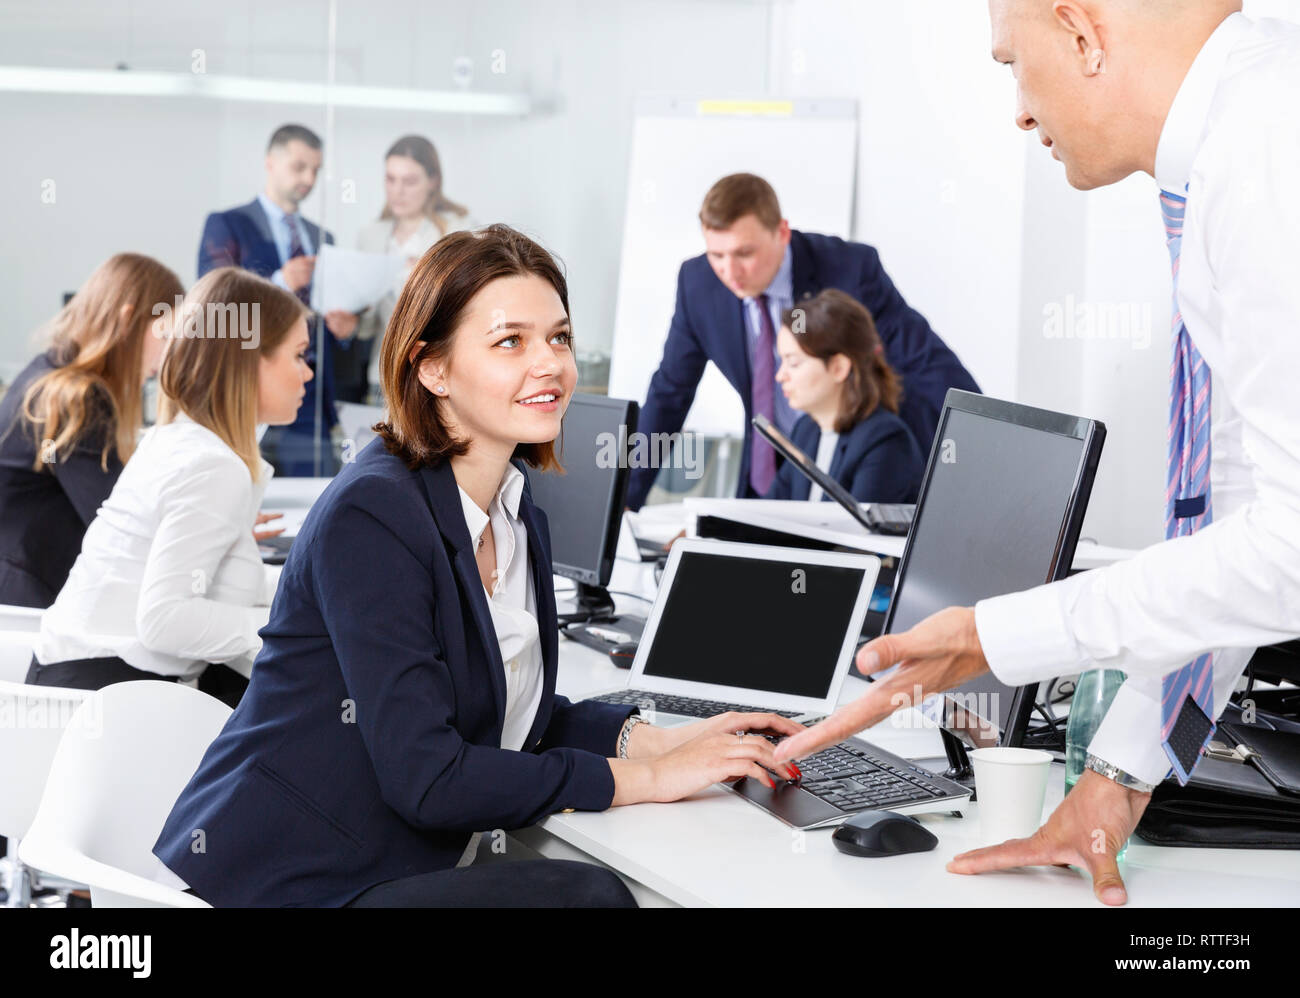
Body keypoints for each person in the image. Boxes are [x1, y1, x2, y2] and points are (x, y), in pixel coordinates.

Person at [775, 0, 1300, 907]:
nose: (1019, 109)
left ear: (1083, 32)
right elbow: (1245, 515)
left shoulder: (1268, 150)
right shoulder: (1237, 143)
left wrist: (997, 634)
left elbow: (1290, 546)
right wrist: (1116, 780)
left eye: (1013, 63)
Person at [152, 224, 802, 908]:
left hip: (385, 863)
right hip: (299, 879)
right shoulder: (373, 514)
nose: (549, 363)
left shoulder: (514, 510)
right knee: (591, 898)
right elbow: (428, 779)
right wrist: (639, 780)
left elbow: (502, 710)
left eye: (559, 337)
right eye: (509, 342)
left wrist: (663, 742)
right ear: (431, 367)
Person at [28, 269, 313, 708]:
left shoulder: (181, 440)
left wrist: (311, 590)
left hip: (79, 682)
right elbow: (164, 620)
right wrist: (277, 626)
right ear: (252, 361)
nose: (308, 374)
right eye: (298, 355)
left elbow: (217, 583)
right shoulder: (213, 466)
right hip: (104, 700)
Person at [625, 172, 978, 510]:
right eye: (717, 255)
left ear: (782, 232)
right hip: (768, 478)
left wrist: (962, 462)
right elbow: (669, 394)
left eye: (745, 254)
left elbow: (929, 369)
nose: (730, 273)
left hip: (852, 472)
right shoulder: (698, 284)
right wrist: (624, 502)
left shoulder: (848, 270)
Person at [0, 253, 183, 608]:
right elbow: (122, 525)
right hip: (29, 599)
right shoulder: (73, 398)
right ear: (128, 319)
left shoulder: (49, 372)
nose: (166, 356)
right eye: (164, 334)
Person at [197, 123, 350, 476]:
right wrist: (281, 282)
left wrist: (345, 327)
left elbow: (331, 316)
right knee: (245, 489)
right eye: (299, 167)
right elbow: (213, 304)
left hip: (311, 394)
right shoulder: (229, 225)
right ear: (270, 163)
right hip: (252, 388)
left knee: (316, 499)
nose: (309, 179)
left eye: (315, 170)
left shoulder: (322, 235)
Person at [764, 289, 924, 503]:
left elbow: (854, 534)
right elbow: (772, 513)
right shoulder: (806, 431)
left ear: (838, 367)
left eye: (793, 363)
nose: (780, 376)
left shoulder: (884, 441)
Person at [353, 135, 476, 404]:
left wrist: (423, 278)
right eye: (390, 179)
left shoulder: (458, 230)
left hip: (439, 375)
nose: (398, 191)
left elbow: (470, 308)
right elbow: (366, 328)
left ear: (433, 181)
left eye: (409, 181)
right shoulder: (370, 236)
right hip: (383, 376)